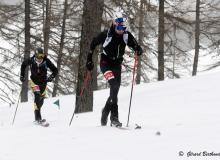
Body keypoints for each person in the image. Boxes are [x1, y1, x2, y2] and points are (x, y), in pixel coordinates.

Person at [86, 14, 143, 127]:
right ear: (114, 24)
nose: (121, 31)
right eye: (119, 28)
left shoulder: (126, 35)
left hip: (117, 64)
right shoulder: (106, 34)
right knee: (114, 85)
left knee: (115, 90)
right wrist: (89, 60)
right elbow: (93, 44)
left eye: (123, 28)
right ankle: (114, 117)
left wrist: (138, 49)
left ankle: (105, 110)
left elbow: (135, 45)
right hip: (105, 63)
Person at [20, 47, 58, 124]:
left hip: (43, 83)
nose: (40, 58)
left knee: (41, 100)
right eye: (38, 56)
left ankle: (38, 116)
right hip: (34, 82)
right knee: (37, 96)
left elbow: (55, 70)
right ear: (35, 55)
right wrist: (22, 75)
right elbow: (23, 65)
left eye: (41, 56)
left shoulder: (46, 61)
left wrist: (51, 77)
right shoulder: (31, 60)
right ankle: (37, 118)